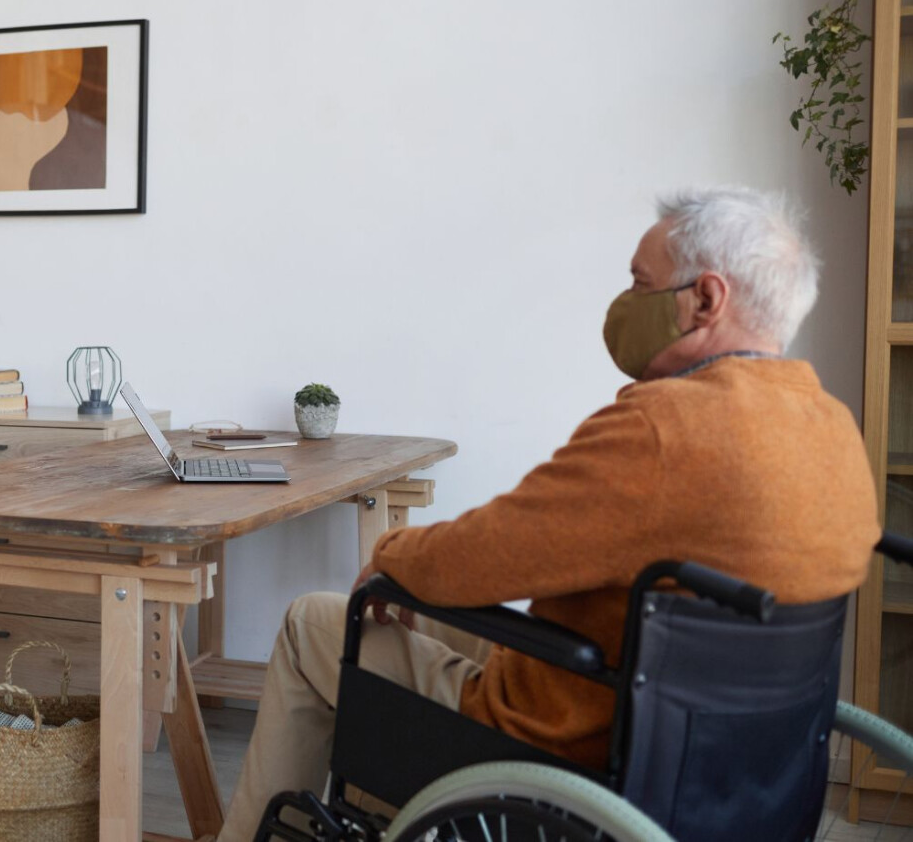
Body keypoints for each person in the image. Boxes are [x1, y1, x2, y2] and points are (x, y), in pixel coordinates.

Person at [217, 186, 881, 841]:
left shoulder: (665, 426)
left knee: (319, 620)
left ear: (704, 299)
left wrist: (389, 559)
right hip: (711, 756)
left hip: (565, 745)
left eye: (639, 283)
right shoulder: (832, 429)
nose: (624, 303)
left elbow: (484, 554)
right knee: (419, 607)